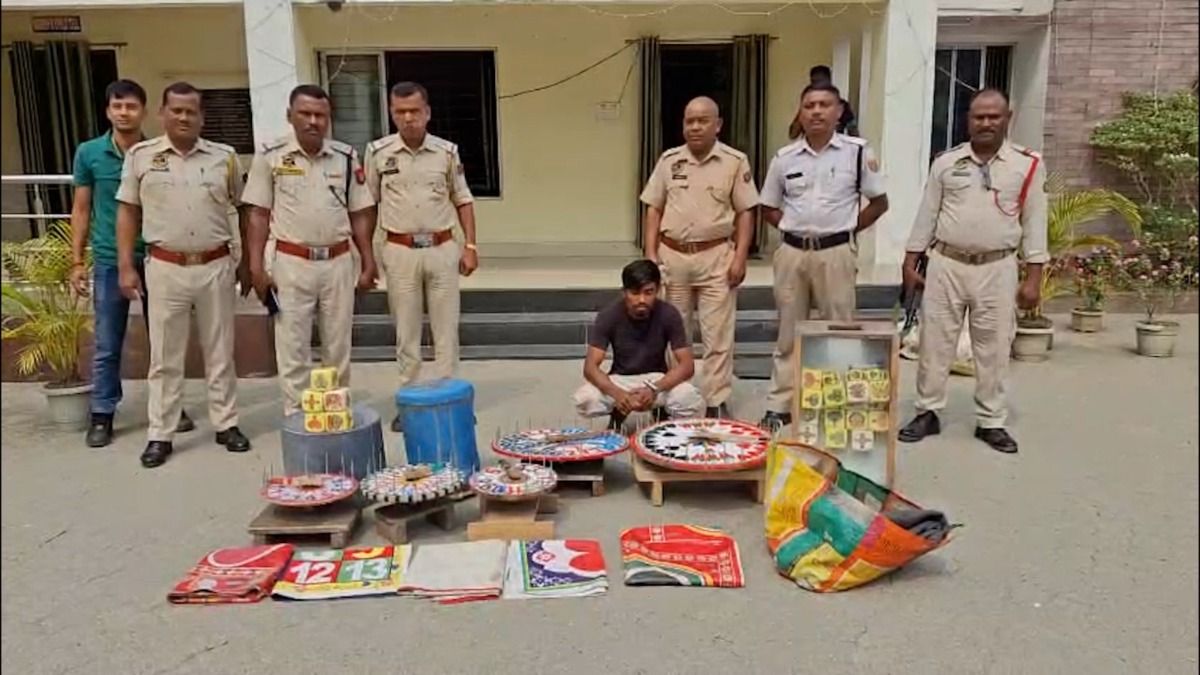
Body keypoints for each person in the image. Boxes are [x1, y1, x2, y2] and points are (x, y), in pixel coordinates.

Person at [897, 88, 1046, 454]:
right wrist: (910, 260)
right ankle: (927, 411)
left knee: (994, 345)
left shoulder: (1026, 165)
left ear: (1007, 118)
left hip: (997, 266)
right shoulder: (947, 163)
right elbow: (926, 214)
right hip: (946, 263)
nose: (986, 123)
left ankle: (991, 420)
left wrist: (1034, 277)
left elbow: (1035, 221)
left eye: (994, 116)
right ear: (968, 120)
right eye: (979, 116)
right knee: (934, 342)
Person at [116, 82, 253, 468]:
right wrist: (126, 265)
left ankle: (226, 423)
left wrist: (244, 261)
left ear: (201, 116)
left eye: (191, 111)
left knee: (220, 350)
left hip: (215, 264)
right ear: (162, 113)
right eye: (176, 110)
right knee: (164, 356)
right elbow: (127, 212)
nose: (183, 117)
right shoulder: (142, 157)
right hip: (164, 267)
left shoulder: (224, 158)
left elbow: (242, 209)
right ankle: (161, 432)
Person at [70, 79, 195, 447]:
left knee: (165, 340)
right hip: (110, 259)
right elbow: (81, 208)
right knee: (109, 342)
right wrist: (77, 261)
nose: (124, 113)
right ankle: (102, 414)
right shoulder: (89, 153)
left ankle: (169, 407)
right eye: (117, 106)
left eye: (131, 107)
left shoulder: (159, 152)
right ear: (108, 111)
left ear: (143, 111)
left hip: (159, 257)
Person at [758, 82, 889, 431]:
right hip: (792, 253)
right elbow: (768, 206)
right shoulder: (784, 158)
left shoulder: (857, 153)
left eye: (824, 105)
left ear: (839, 111)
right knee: (789, 328)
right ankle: (780, 403)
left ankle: (837, 401)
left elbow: (879, 203)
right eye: (809, 105)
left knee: (840, 327)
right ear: (800, 113)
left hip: (836, 253)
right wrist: (790, 227)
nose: (816, 111)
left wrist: (845, 229)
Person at [242, 84, 377, 416]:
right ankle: (298, 416)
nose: (313, 121)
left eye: (320, 115)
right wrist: (256, 266)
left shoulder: (346, 157)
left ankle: (335, 411)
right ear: (290, 116)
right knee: (292, 346)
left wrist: (369, 261)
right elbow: (257, 213)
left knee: (338, 345)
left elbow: (360, 212)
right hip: (291, 263)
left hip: (338, 262)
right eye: (305, 114)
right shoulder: (271, 156)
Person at [364, 81, 479, 433]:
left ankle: (449, 400)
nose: (408, 118)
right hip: (399, 251)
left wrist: (470, 247)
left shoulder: (446, 152)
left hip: (442, 249)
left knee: (446, 331)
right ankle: (410, 402)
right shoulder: (379, 153)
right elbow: (367, 205)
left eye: (415, 111)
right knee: (407, 333)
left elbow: (463, 200)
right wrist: (367, 254)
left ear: (427, 113)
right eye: (400, 112)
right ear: (391, 114)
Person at [641, 96, 758, 419]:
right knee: (671, 332)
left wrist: (741, 258)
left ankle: (715, 400)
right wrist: (651, 255)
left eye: (702, 120)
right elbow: (654, 208)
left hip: (716, 257)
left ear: (718, 125)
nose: (694, 126)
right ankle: (673, 396)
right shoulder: (669, 161)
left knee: (717, 333)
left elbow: (746, 212)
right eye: (689, 120)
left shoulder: (734, 161)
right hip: (672, 257)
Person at [574, 260, 704, 429]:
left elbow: (687, 366)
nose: (641, 299)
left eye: (648, 292)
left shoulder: (669, 314)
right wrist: (618, 394)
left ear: (657, 290)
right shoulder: (609, 315)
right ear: (624, 292)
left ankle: (664, 418)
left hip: (656, 380)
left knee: (690, 397)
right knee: (585, 399)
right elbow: (590, 368)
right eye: (635, 293)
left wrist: (654, 389)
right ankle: (618, 412)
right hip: (621, 380)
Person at [788, 65, 859, 139]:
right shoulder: (808, 107)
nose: (817, 110)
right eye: (816, 81)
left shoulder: (840, 105)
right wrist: (802, 116)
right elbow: (793, 134)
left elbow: (854, 133)